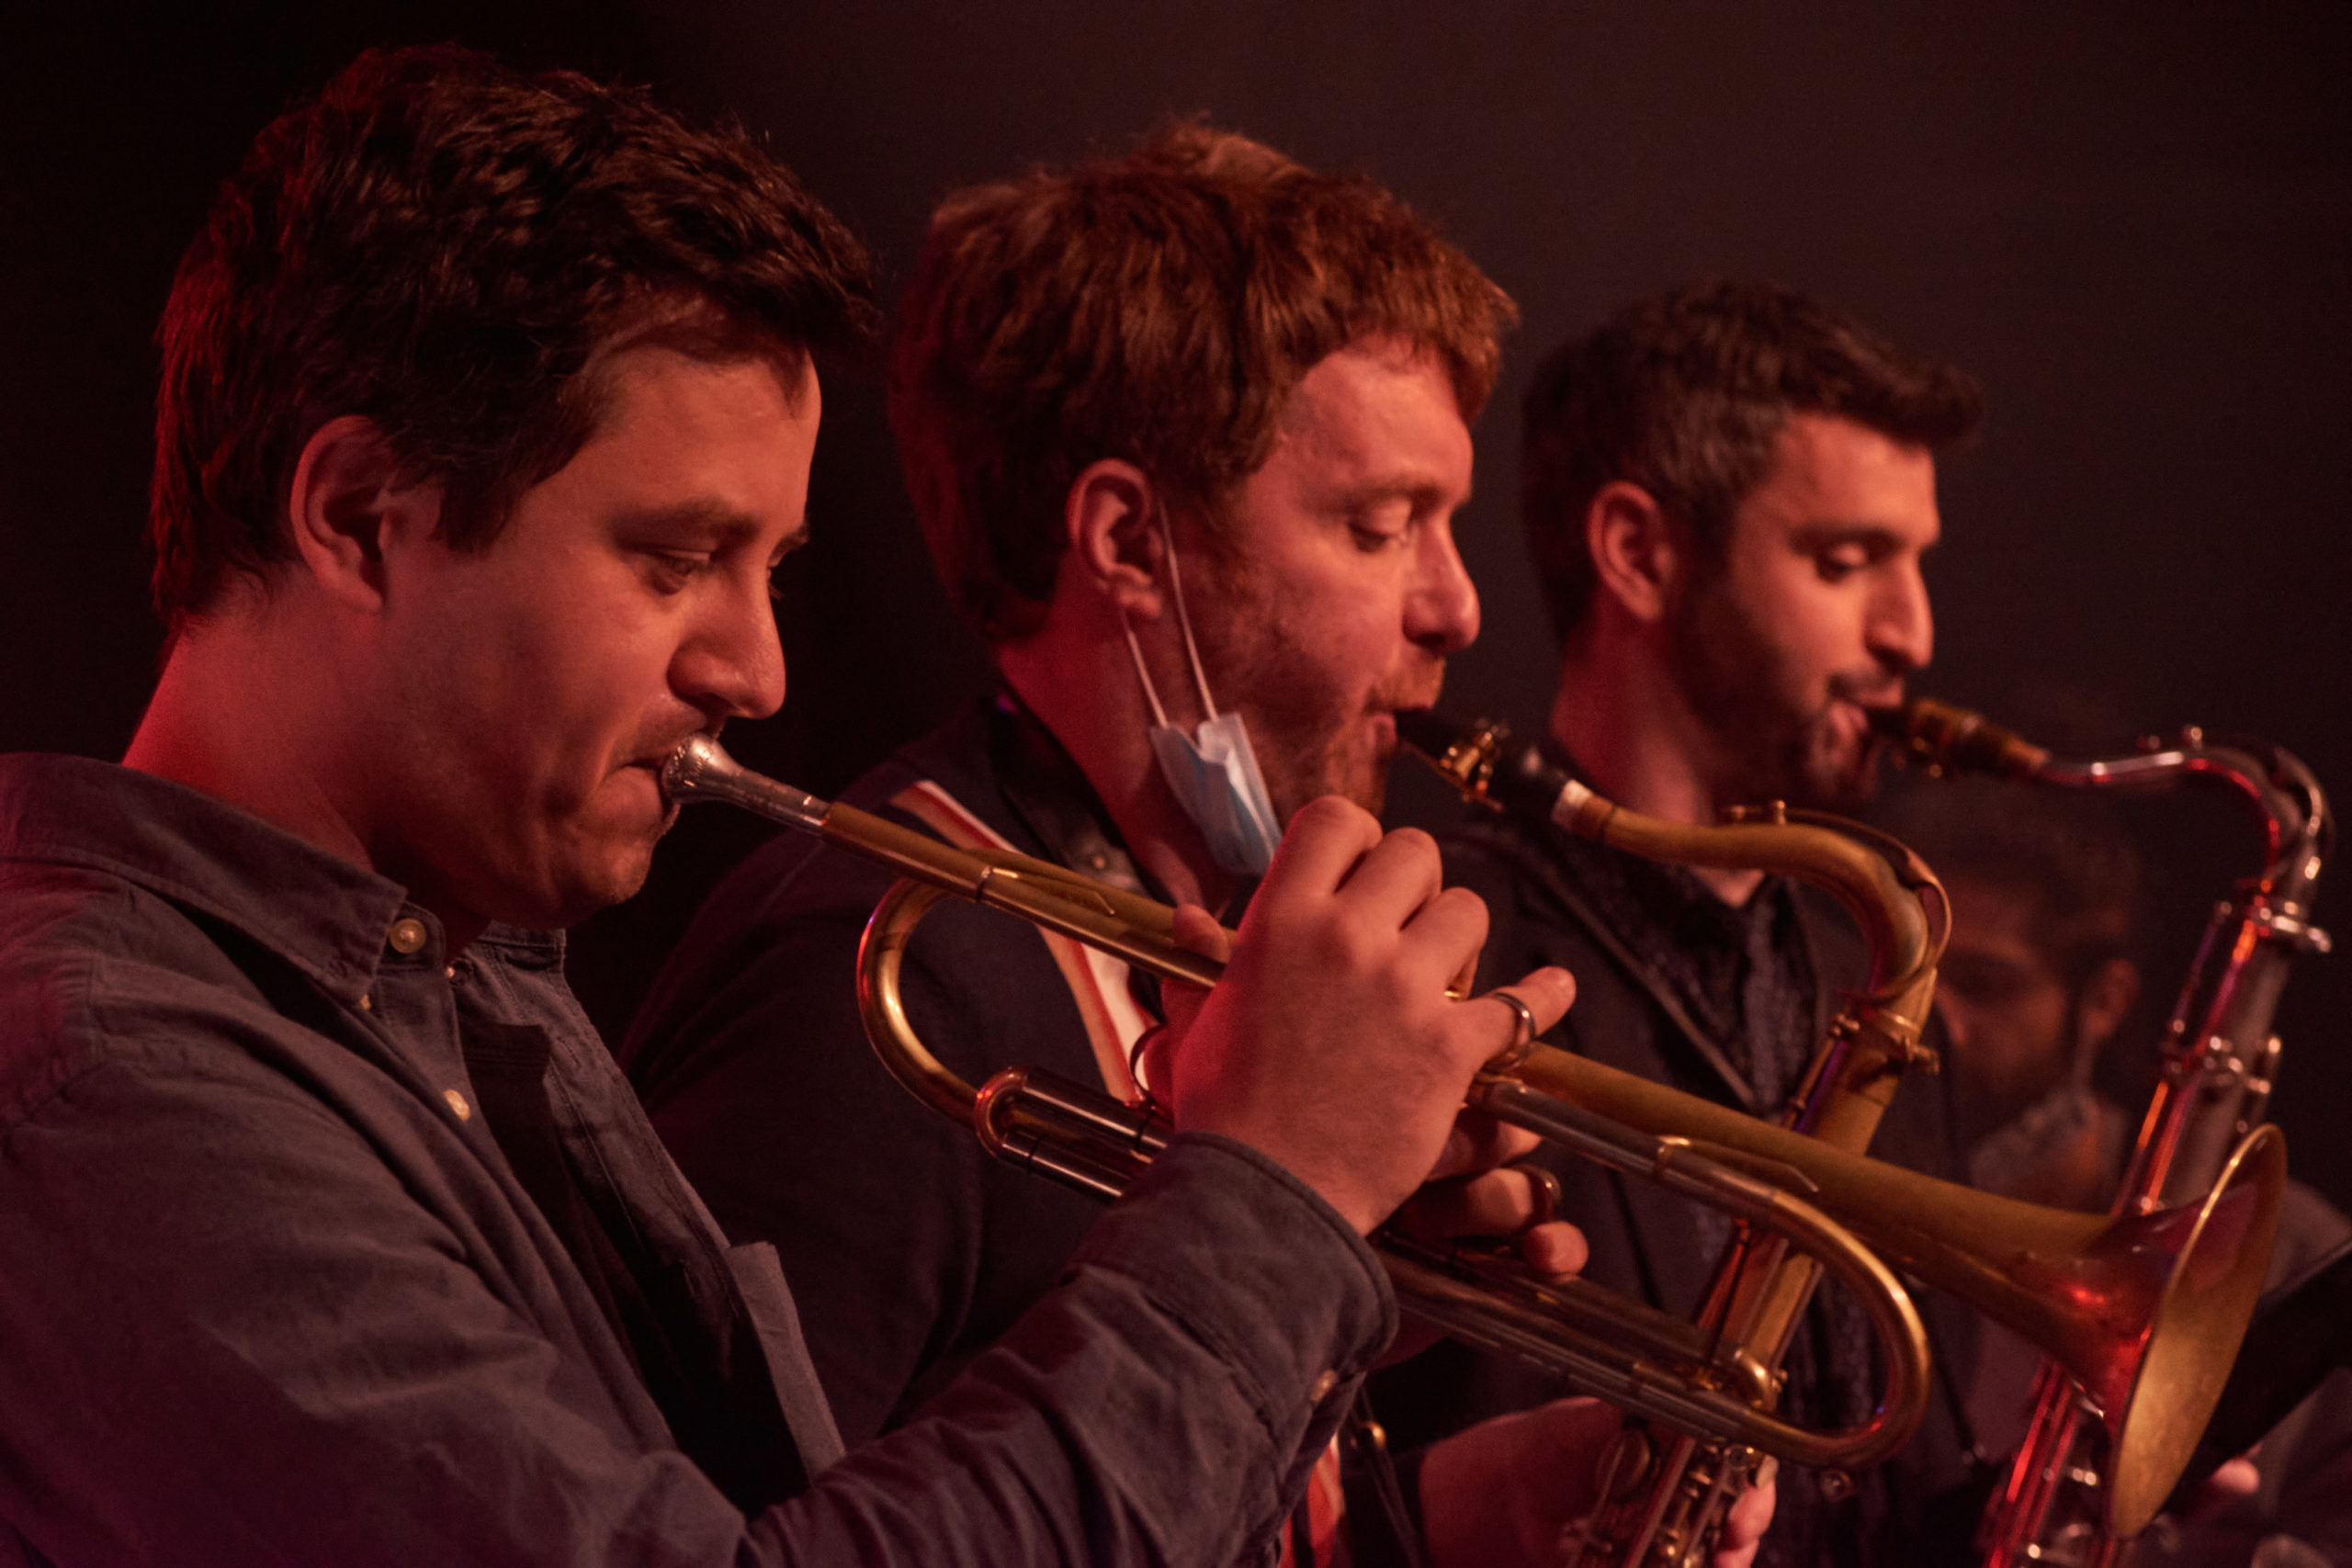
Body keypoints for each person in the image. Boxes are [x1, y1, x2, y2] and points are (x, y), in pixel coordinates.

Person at [0, 50, 1611, 1567]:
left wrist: (1360, 1383)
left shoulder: (461, 986)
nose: (759, 672)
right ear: (361, 516)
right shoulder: (106, 1085)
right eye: (676, 558)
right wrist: (1270, 1205)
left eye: (769, 570)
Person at [623, 127, 1770, 1568]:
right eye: (1380, 525)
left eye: (1446, 523)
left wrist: (1478, 1511)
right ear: (1128, 542)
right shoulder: (867, 979)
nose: (1458, 605)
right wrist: (1286, 1203)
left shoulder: (1188, 930)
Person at [1374, 280, 1985, 1568]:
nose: (1913, 633)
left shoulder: (1879, 973)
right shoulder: (1433, 958)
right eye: (1845, 562)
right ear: (1639, 553)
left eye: (1917, 563)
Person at [1883, 779, 2352, 1568]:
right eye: (1918, 975)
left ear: (2104, 1001)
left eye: (1985, 984)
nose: (1932, 1018)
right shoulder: (1867, 1194)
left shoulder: (2289, 1256)